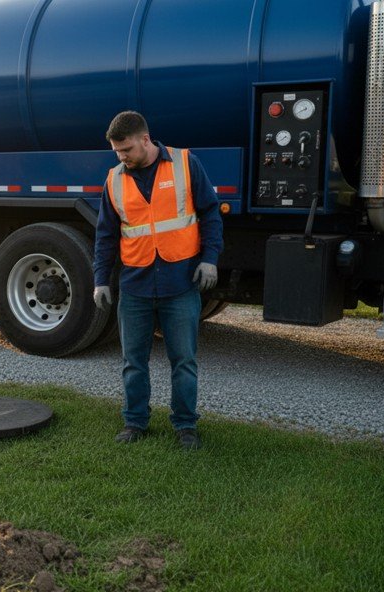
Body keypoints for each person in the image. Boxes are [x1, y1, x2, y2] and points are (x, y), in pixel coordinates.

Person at [92, 111, 223, 450]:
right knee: (133, 362)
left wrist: (210, 259)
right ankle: (135, 422)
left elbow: (210, 212)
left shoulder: (185, 163)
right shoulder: (114, 179)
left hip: (180, 284)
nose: (122, 157)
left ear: (145, 139)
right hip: (135, 286)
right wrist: (100, 279)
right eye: (117, 152)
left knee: (184, 361)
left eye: (127, 150)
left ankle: (186, 426)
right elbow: (106, 235)